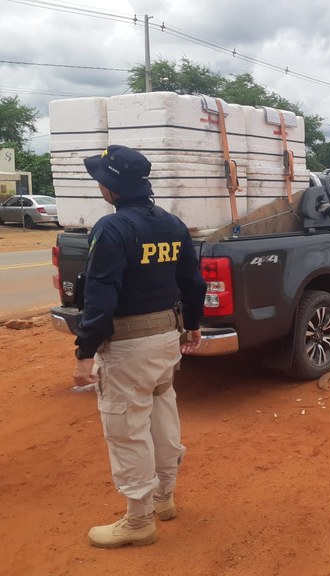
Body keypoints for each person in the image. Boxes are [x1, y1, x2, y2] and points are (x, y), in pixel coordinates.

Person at [72, 144, 207, 548]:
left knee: (127, 429)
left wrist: (84, 352)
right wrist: (193, 325)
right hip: (166, 340)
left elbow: (100, 295)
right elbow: (193, 282)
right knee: (162, 416)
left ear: (111, 187)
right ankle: (164, 498)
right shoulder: (172, 225)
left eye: (101, 179)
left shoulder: (112, 228)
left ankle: (139, 520)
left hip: (128, 347)